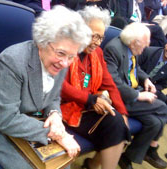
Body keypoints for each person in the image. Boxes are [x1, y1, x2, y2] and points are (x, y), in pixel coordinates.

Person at [0, 5, 92, 169]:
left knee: (61, 163)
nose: (65, 63)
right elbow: (7, 120)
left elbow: (53, 97)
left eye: (72, 57)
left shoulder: (62, 61)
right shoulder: (11, 62)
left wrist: (54, 114)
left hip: (27, 121)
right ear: (41, 43)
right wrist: (58, 135)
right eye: (61, 53)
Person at [61, 6, 130, 169]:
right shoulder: (65, 48)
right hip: (62, 107)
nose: (97, 43)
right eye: (94, 36)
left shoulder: (97, 53)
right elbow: (59, 86)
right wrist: (91, 99)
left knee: (118, 123)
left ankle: (93, 165)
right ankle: (91, 165)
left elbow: (109, 84)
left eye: (101, 38)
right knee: (115, 125)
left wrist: (123, 112)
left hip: (87, 106)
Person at [103, 22, 167, 169]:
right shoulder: (114, 48)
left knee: (155, 123)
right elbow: (112, 82)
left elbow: (135, 68)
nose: (146, 48)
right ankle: (151, 149)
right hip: (120, 98)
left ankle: (127, 157)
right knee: (163, 107)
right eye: (144, 45)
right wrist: (138, 96)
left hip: (134, 89)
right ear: (134, 42)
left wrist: (146, 79)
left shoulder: (132, 48)